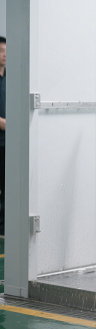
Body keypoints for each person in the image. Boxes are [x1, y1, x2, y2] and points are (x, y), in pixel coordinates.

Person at [0, 36, 5, 235]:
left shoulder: (10, 79)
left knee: (7, 186)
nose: (5, 54)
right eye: (1, 50)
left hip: (9, 143)